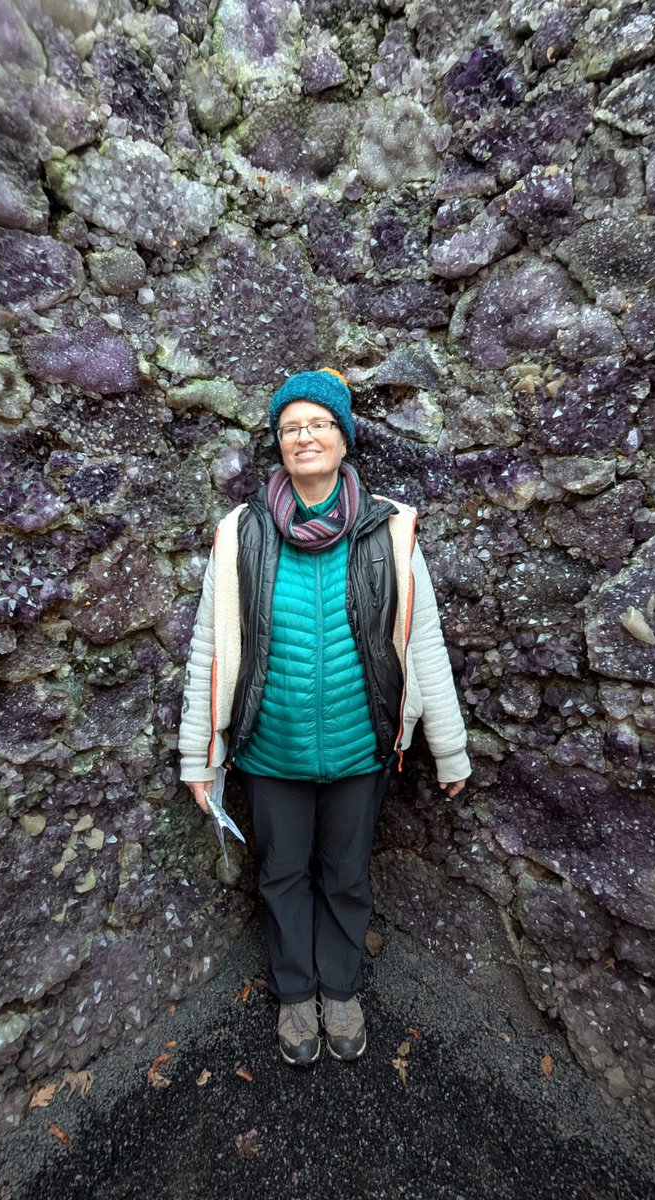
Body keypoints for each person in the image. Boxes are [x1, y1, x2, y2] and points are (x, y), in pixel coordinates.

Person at [179, 368, 470, 1066]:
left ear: (343, 438)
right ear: (278, 445)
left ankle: (339, 990)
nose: (303, 437)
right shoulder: (240, 533)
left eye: (318, 424)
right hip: (269, 749)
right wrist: (200, 757)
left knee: (345, 874)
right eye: (289, 428)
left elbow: (422, 638)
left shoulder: (392, 530)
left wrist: (450, 748)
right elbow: (209, 649)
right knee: (281, 874)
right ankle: (293, 994)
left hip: (361, 747)